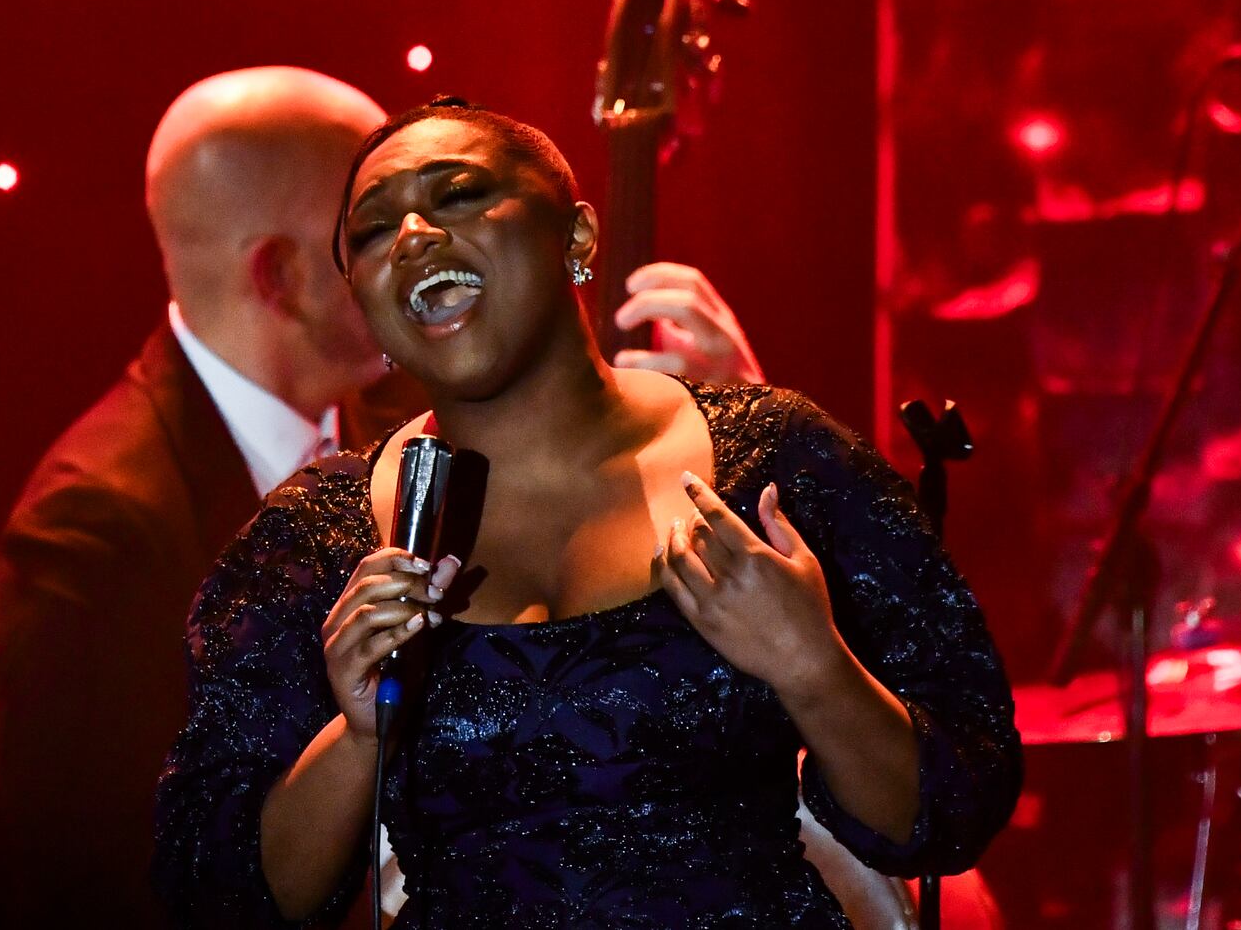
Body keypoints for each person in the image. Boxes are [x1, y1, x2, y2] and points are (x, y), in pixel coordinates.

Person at [153, 99, 1022, 927]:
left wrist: (813, 667)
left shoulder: (772, 459)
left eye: (458, 194)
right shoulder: (321, 535)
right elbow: (229, 898)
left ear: (577, 236)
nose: (412, 235)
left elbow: (954, 804)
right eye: (372, 231)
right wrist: (356, 733)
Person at [0, 71, 766, 926]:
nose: (424, 246)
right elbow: (108, 881)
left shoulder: (412, 425)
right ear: (282, 274)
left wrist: (729, 438)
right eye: (371, 227)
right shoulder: (94, 534)